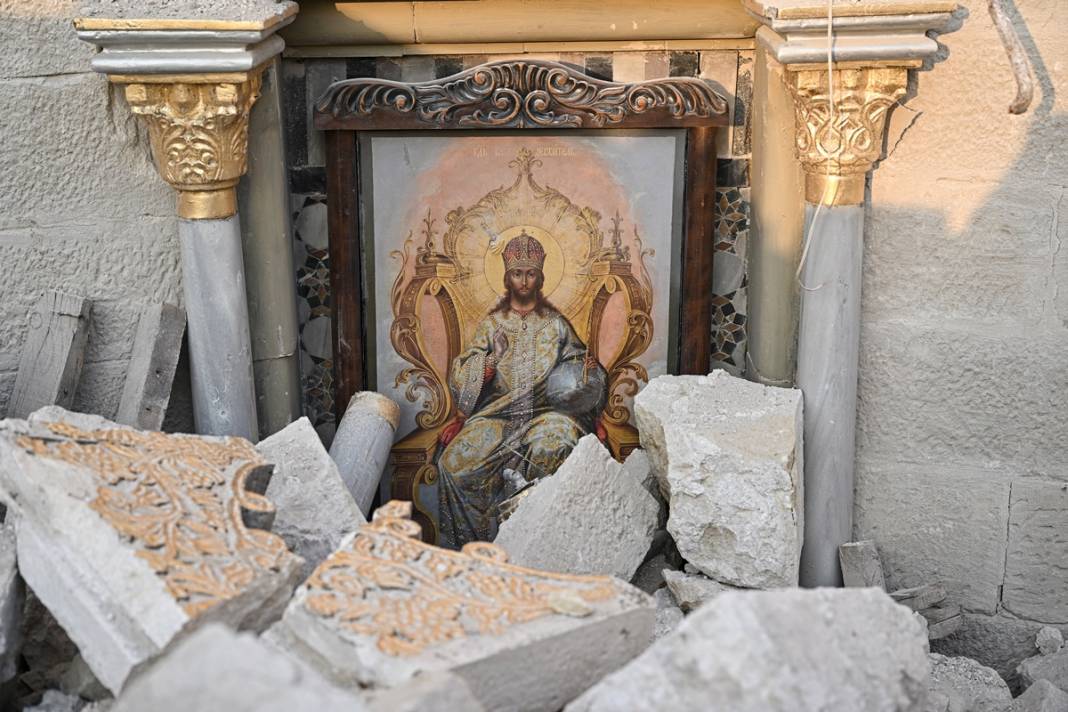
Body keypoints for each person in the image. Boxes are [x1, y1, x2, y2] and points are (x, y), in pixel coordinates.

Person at [434, 232, 606, 549]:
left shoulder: (556, 324)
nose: (523, 281)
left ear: (540, 277)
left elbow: (579, 366)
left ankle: (543, 547)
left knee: (555, 443)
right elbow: (463, 373)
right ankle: (475, 552)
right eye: (517, 273)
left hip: (547, 414)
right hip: (496, 416)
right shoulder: (492, 324)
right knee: (453, 465)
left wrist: (587, 377)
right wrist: (493, 357)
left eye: (530, 273)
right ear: (507, 276)